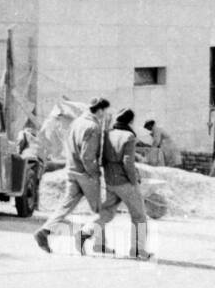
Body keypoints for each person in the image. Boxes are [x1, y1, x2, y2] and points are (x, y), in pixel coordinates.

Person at [33, 97, 109, 253]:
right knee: (100, 212)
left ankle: (45, 231)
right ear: (100, 110)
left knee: (65, 207)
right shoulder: (93, 126)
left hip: (72, 170)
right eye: (104, 111)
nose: (104, 114)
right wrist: (95, 172)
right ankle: (98, 243)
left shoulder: (76, 123)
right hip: (86, 174)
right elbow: (87, 156)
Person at [80, 107, 153, 259]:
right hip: (125, 181)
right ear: (131, 121)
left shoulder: (107, 134)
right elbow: (128, 162)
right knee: (139, 216)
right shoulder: (129, 137)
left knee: (106, 213)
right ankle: (138, 250)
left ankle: (84, 232)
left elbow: (101, 157)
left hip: (110, 180)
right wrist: (134, 181)